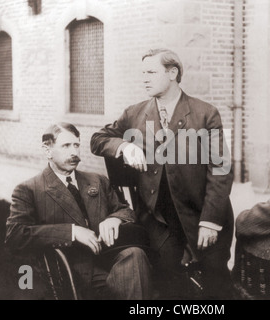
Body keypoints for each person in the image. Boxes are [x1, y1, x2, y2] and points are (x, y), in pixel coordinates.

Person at [90, 48, 234, 299]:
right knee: (167, 282)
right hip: (158, 219)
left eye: (151, 72)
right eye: (142, 72)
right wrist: (123, 146)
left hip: (200, 214)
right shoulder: (134, 113)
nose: (144, 78)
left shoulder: (205, 114)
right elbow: (98, 139)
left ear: (172, 73)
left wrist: (210, 221)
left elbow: (220, 170)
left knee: (215, 283)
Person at [5, 122, 152, 300]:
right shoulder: (29, 189)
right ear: (47, 150)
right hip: (70, 271)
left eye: (76, 145)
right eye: (66, 146)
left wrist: (115, 219)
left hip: (108, 258)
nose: (74, 152)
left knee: (135, 254)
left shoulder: (97, 180)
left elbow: (124, 210)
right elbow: (16, 235)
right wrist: (71, 232)